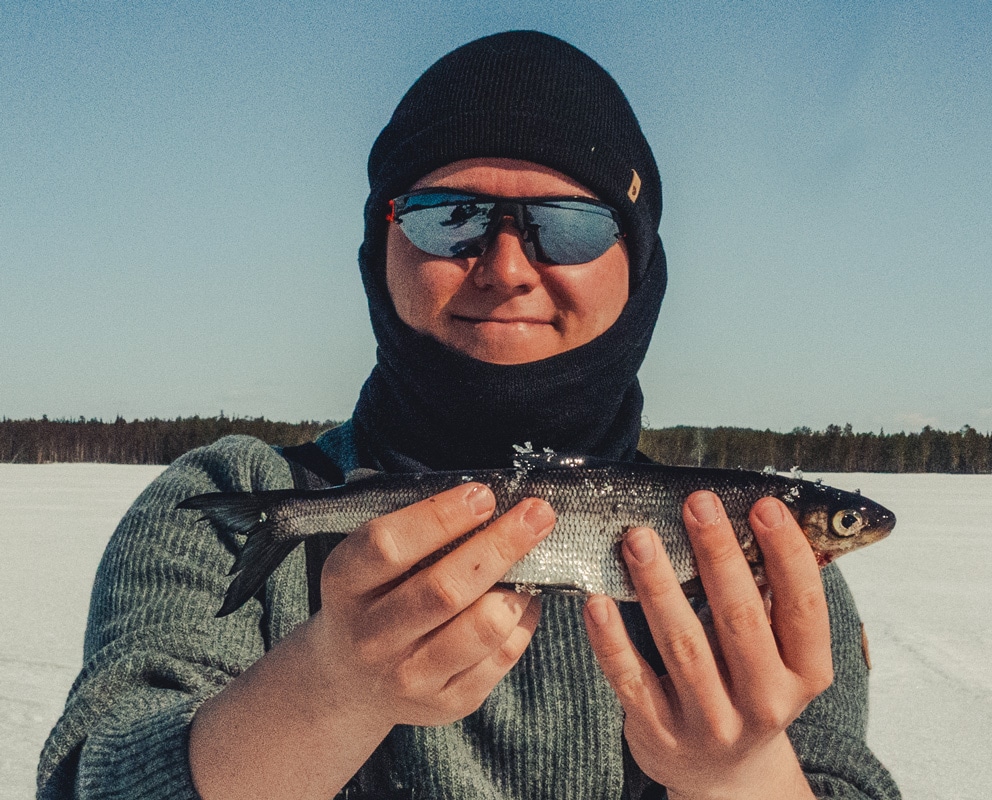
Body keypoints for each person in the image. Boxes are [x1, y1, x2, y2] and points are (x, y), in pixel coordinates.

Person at [38, 31, 900, 800]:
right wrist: (329, 690)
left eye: (568, 227)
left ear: (639, 268)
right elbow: (98, 773)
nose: (505, 266)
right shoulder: (236, 501)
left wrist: (739, 775)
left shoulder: (755, 558)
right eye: (449, 219)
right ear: (382, 252)